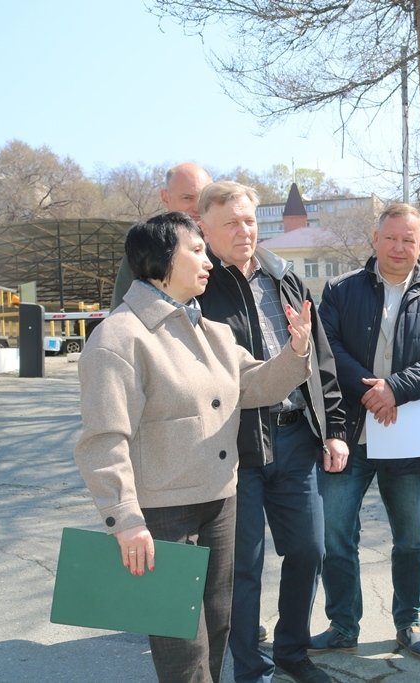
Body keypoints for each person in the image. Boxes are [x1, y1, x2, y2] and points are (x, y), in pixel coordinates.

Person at [74, 212, 312, 683]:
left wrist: (296, 350)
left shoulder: (211, 330)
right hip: (163, 513)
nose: (208, 261)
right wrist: (125, 519)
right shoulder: (120, 336)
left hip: (220, 501)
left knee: (217, 630)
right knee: (182, 648)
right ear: (163, 259)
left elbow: (254, 385)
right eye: (197, 250)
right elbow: (104, 439)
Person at [196, 181, 349, 683]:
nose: (244, 231)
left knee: (309, 549)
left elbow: (320, 360)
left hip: (295, 438)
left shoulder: (285, 278)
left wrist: (334, 429)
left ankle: (292, 653)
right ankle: (251, 669)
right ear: (205, 228)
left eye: (249, 221)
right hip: (232, 446)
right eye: (231, 223)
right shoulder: (198, 287)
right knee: (242, 566)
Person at [311, 202, 420, 661]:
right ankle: (342, 625)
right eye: (391, 238)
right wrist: (371, 391)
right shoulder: (340, 290)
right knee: (335, 535)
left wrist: (395, 388)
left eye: (408, 240)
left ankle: (409, 622)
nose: (399, 247)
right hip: (347, 432)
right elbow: (327, 348)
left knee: (411, 538)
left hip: (408, 432)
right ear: (375, 239)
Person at [110, 162, 213, 309]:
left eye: (203, 198)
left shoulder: (229, 246)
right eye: (187, 198)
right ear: (165, 198)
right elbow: (122, 311)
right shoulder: (148, 248)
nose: (197, 207)